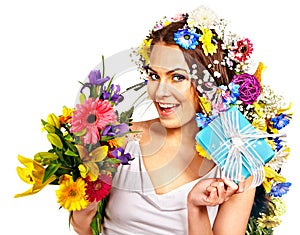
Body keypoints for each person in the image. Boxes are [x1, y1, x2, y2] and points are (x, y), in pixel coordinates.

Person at [70, 5, 270, 235]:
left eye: (177, 77)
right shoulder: (120, 140)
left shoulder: (237, 162)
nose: (161, 92)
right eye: (154, 76)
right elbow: (83, 227)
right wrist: (83, 211)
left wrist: (196, 207)